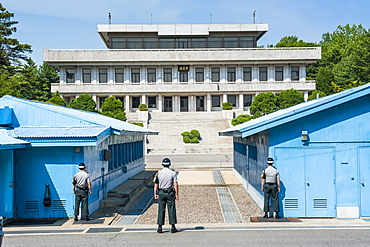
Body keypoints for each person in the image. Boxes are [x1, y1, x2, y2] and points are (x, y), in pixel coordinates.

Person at [153, 158, 179, 233]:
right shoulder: (173, 173)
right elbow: (175, 184)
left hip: (161, 192)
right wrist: (177, 194)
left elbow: (156, 184)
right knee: (171, 209)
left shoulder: (159, 173)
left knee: (161, 209)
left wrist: (155, 194)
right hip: (170, 192)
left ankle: (160, 227)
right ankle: (173, 226)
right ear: (169, 164)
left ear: (162, 164)